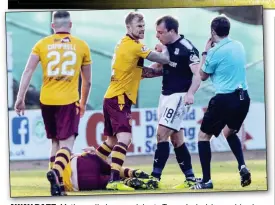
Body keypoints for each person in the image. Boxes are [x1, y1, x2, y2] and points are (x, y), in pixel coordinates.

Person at [95, 11, 170, 191]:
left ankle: (92, 164)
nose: (142, 29)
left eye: (143, 26)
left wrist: (160, 72)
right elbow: (164, 59)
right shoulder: (135, 46)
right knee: (125, 138)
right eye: (139, 26)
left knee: (112, 142)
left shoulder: (125, 44)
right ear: (128, 27)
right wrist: (165, 47)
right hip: (119, 98)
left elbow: (142, 72)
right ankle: (114, 180)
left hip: (112, 97)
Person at [14, 11, 92, 178]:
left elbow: (28, 71)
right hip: (68, 100)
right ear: (70, 25)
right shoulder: (82, 45)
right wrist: (83, 103)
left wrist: (20, 98)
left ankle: (57, 184)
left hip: (47, 100)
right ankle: (56, 174)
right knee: (67, 144)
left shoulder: (42, 44)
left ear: (52, 26)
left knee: (55, 141)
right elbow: (87, 81)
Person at [190, 15, 251, 190]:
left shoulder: (215, 52)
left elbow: (202, 75)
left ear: (212, 32)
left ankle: (207, 181)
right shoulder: (238, 45)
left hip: (225, 99)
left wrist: (205, 52)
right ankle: (242, 166)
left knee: (203, 137)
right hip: (243, 98)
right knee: (229, 132)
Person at [147, 16, 201, 189]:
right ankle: (190, 178)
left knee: (161, 134)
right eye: (156, 32)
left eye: (160, 32)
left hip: (179, 97)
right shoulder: (165, 48)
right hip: (165, 96)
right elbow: (160, 70)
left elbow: (197, 74)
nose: (157, 35)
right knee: (176, 139)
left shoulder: (187, 48)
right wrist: (142, 72)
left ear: (172, 31)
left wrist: (191, 93)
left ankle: (154, 178)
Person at [47, 146, 159, 196]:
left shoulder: (56, 164)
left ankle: (128, 181)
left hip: (79, 183)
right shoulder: (66, 156)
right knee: (112, 170)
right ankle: (132, 172)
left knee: (110, 182)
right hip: (86, 160)